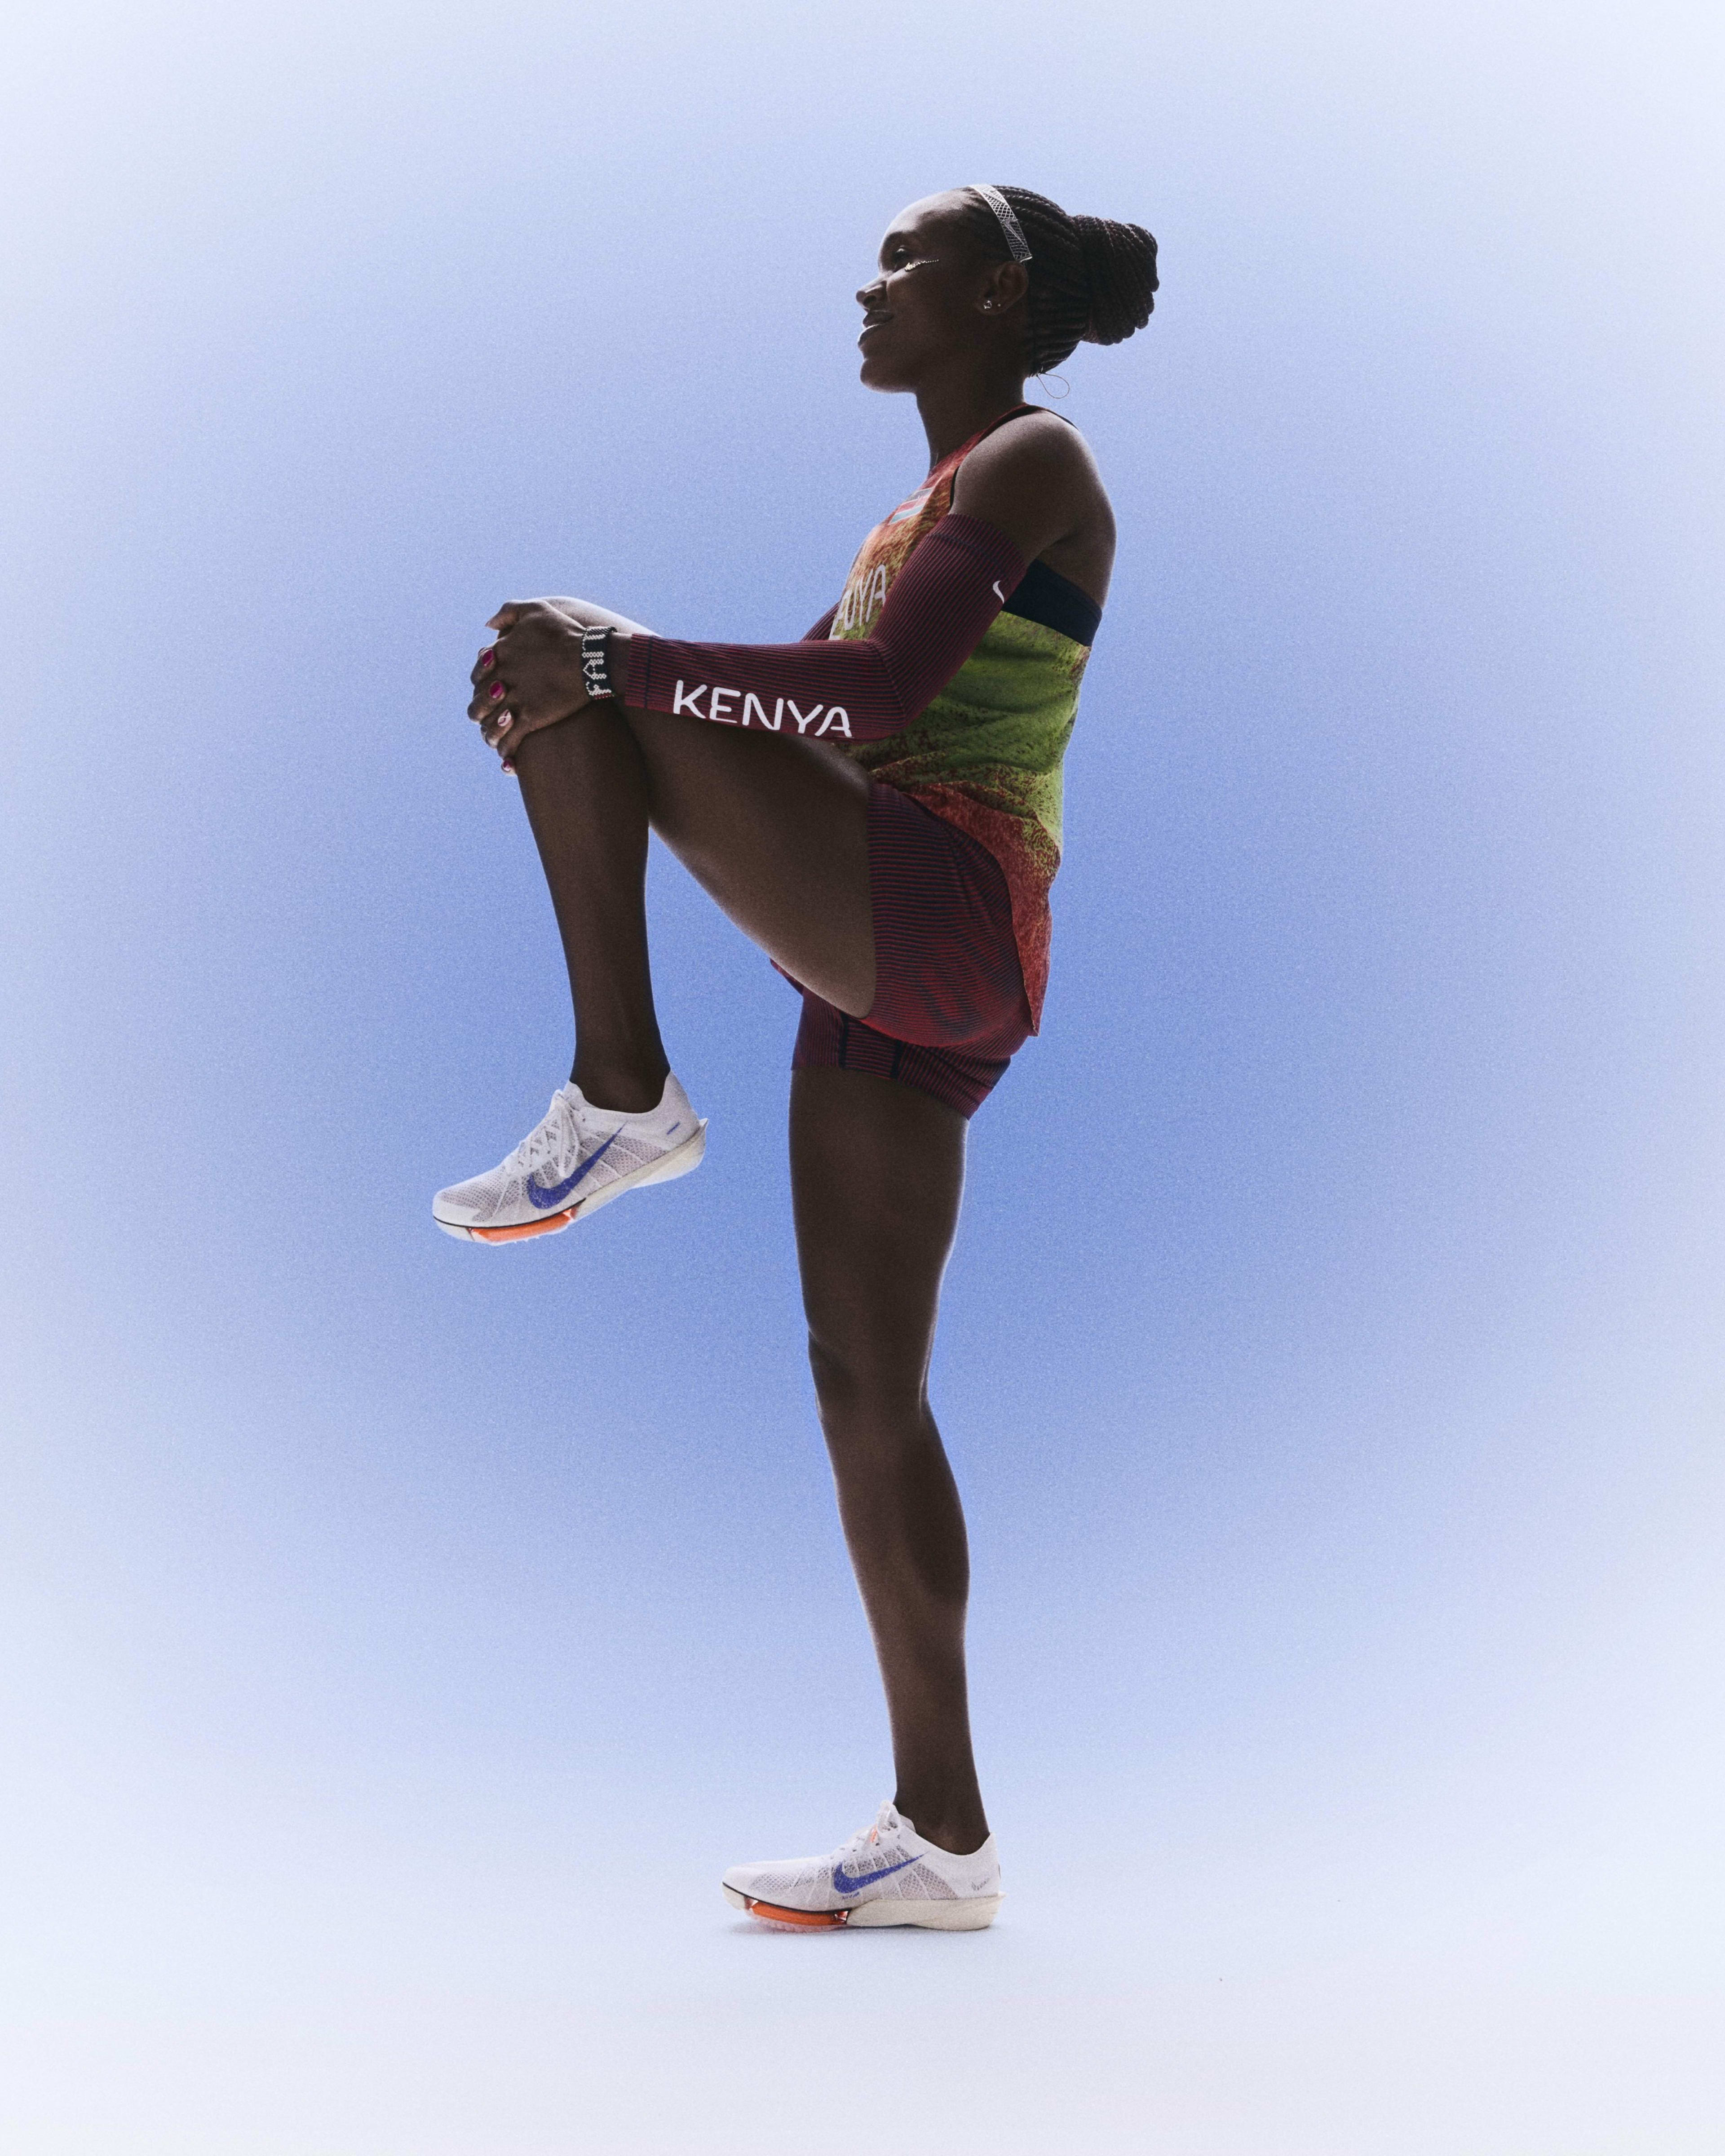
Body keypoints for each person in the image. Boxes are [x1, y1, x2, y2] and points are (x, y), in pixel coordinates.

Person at [435, 184, 1157, 1930]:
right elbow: (791, 702)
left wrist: (600, 673)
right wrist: (586, 708)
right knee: (865, 1390)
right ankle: (944, 1841)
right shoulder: (908, 512)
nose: (868, 282)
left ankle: (623, 1093)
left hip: (956, 909)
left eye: (904, 259)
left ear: (995, 295)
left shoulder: (1034, 460)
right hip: (894, 968)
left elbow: (884, 705)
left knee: (578, 647)